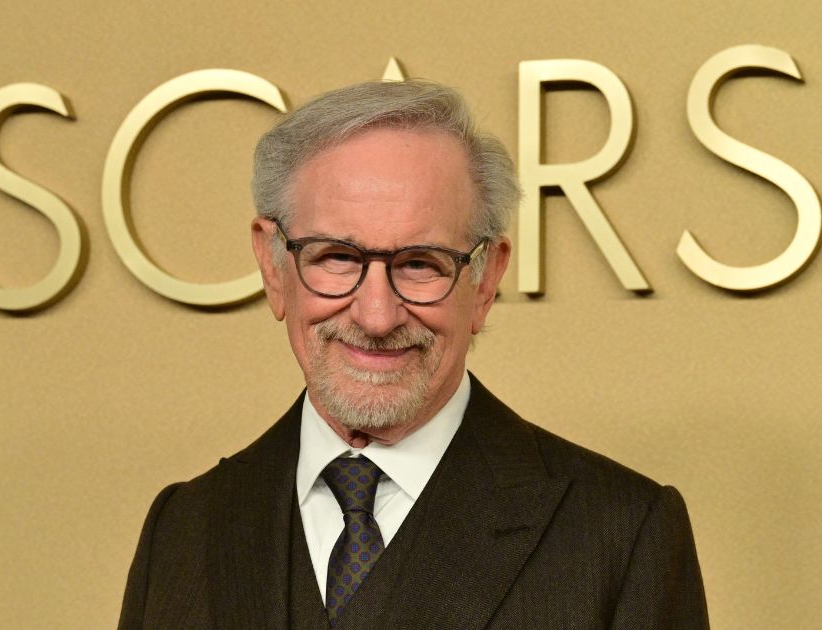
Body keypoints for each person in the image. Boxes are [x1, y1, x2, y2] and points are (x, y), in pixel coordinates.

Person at [119, 79, 709, 629]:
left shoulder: (621, 534)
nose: (376, 317)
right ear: (273, 268)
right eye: (336, 257)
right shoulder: (184, 526)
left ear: (485, 280)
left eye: (421, 264)